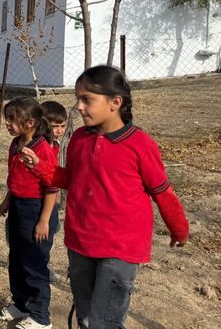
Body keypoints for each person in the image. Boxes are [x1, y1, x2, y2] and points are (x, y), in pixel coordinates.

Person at [22, 66, 189, 328]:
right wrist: (39, 167)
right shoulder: (78, 138)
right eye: (78, 98)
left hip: (120, 248)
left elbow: (162, 191)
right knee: (86, 317)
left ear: (115, 102)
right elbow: (70, 180)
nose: (78, 106)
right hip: (81, 242)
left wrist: (179, 229)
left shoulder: (140, 144)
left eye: (87, 99)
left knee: (105, 323)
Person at [0, 98, 59, 329]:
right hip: (18, 207)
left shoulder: (43, 148)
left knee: (34, 263)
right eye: (7, 119)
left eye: (12, 120)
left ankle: (40, 316)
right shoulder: (15, 144)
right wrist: (7, 200)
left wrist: (44, 220)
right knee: (17, 258)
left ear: (30, 122)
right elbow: (15, 177)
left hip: (37, 209)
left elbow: (52, 185)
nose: (8, 124)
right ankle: (21, 303)